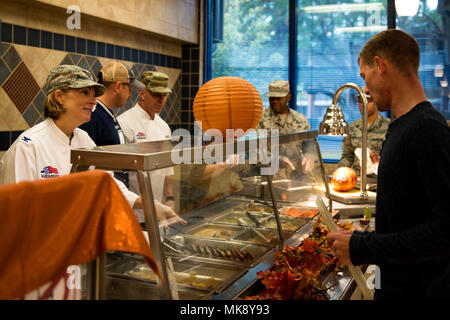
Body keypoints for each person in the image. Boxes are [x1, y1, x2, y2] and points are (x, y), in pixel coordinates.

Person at [327, 29, 450, 299]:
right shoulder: (401, 127)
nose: (366, 89)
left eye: (364, 77)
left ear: (380, 65)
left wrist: (363, 247)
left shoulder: (427, 129)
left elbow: (445, 231)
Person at [0, 65, 184, 229]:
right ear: (59, 96)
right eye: (84, 93)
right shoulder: (28, 146)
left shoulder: (83, 139)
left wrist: (147, 204)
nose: (94, 101)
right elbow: (15, 215)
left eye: (93, 94)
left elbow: (107, 183)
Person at [79, 61, 145, 187]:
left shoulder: (106, 113)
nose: (130, 95)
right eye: (129, 89)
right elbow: (84, 163)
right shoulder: (92, 116)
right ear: (118, 86)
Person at [118, 71, 175, 210]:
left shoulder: (164, 126)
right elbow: (119, 172)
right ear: (142, 94)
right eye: (156, 95)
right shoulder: (125, 123)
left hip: (157, 207)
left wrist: (170, 197)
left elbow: (167, 167)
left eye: (164, 95)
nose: (161, 100)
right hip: (132, 207)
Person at [257, 80, 315, 178]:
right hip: (268, 178)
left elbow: (308, 144)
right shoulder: (259, 120)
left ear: (288, 97)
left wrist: (309, 155)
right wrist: (276, 159)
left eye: (279, 98)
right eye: (272, 98)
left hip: (294, 177)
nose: (275, 101)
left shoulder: (300, 120)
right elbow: (253, 150)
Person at [337, 89, 390, 174]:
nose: (362, 105)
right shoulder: (353, 127)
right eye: (360, 101)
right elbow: (347, 155)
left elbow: (395, 157)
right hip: (357, 177)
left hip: (379, 178)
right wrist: (341, 171)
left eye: (367, 101)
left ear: (376, 102)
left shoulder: (389, 127)